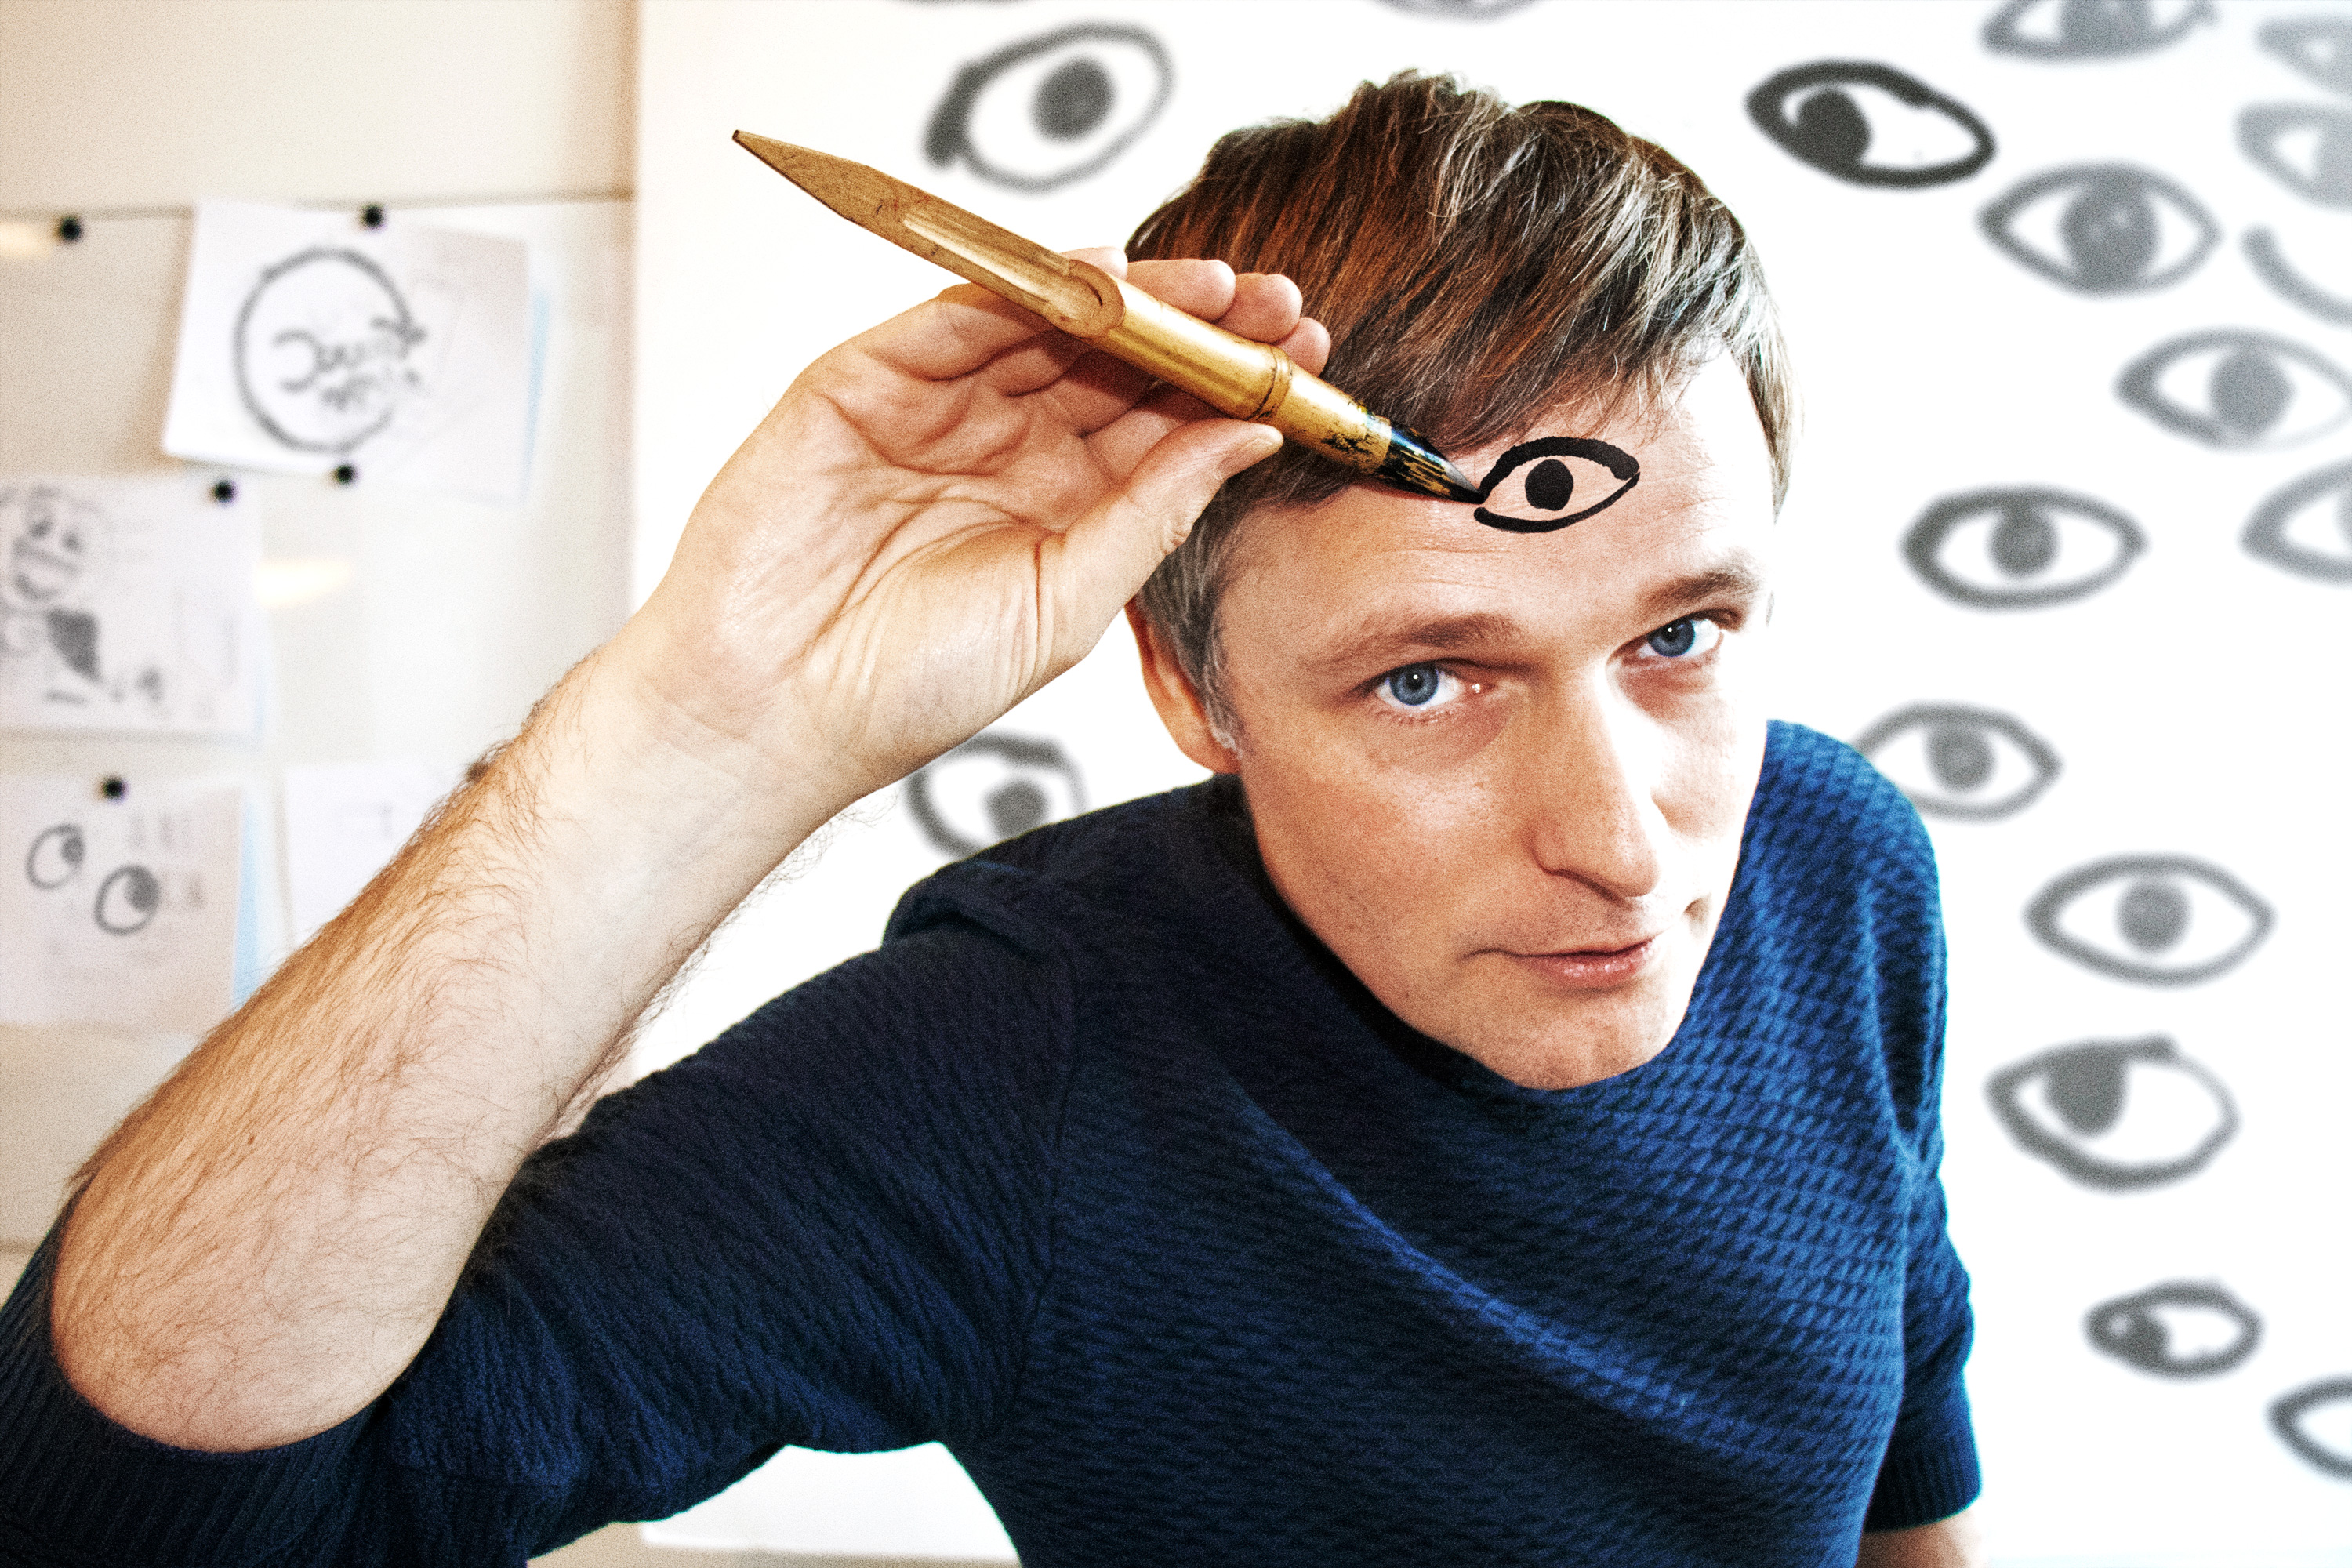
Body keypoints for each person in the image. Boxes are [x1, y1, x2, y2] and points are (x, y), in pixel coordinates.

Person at [0, 75, 1983, 1566]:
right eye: (1425, 680)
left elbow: (1905, 1434)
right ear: (1190, 685)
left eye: (1681, 635)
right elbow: (124, 1516)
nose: (1628, 848)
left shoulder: (1835, 862)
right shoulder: (1016, 1073)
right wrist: (696, 725)